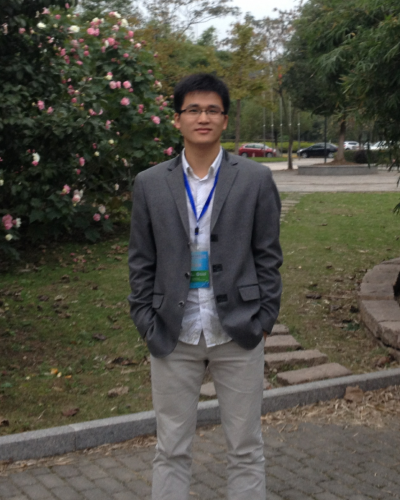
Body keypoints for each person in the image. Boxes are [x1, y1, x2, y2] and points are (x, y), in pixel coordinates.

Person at [128, 73, 282, 500]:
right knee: (171, 449)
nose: (203, 117)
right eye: (193, 109)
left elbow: (268, 255)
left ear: (225, 120)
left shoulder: (254, 179)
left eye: (213, 110)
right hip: (171, 332)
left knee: (246, 448)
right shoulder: (150, 183)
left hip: (238, 331)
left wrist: (265, 319)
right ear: (177, 119)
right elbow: (141, 259)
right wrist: (145, 320)